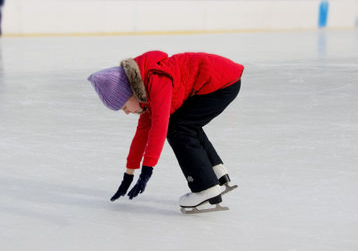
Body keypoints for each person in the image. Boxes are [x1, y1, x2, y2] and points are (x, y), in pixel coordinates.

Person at [88, 50, 244, 210]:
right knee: (185, 123)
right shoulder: (145, 90)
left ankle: (205, 188)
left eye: (124, 107)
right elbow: (142, 134)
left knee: (178, 128)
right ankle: (217, 173)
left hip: (221, 82)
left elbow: (160, 127)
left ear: (131, 94)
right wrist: (129, 175)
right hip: (221, 80)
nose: (127, 112)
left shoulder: (156, 80)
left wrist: (147, 171)